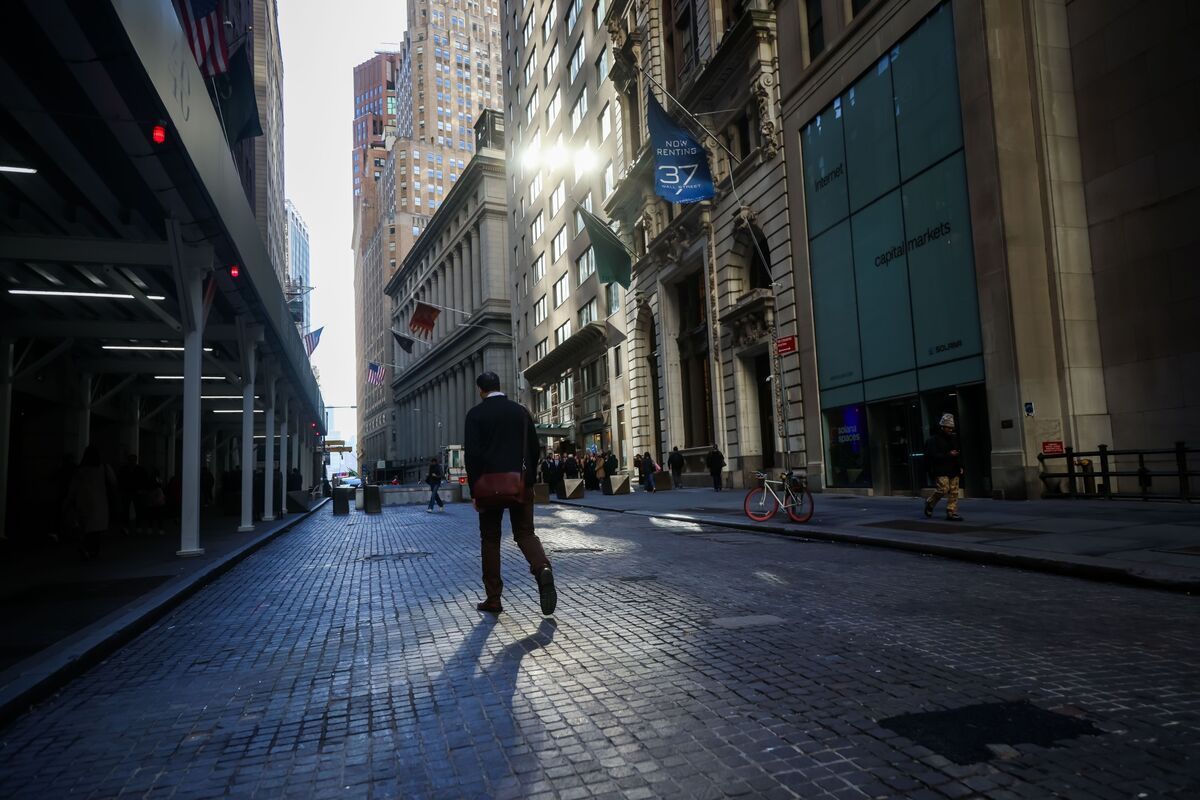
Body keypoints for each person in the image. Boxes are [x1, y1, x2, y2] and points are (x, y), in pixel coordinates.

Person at [464, 371, 556, 616]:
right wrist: (529, 480)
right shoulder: (521, 412)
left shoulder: (475, 415)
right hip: (521, 484)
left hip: (488, 486)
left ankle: (493, 598)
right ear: (499, 386)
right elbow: (534, 449)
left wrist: (474, 490)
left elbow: (472, 456)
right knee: (525, 533)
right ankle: (542, 568)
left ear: (481, 390)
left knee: (490, 539)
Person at [65, 445, 117, 561]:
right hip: (100, 501)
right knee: (96, 529)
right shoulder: (103, 468)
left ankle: (86, 547)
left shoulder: (80, 470)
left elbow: (73, 488)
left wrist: (69, 501)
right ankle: (92, 550)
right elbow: (113, 481)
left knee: (85, 527)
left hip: (83, 501)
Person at [923, 413, 964, 521]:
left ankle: (951, 512)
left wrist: (960, 465)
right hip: (940, 468)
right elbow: (932, 456)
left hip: (953, 467)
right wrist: (949, 455)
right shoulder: (933, 440)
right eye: (948, 427)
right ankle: (930, 502)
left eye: (952, 427)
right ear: (942, 427)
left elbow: (957, 452)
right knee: (943, 489)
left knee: (954, 491)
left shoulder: (954, 438)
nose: (950, 430)